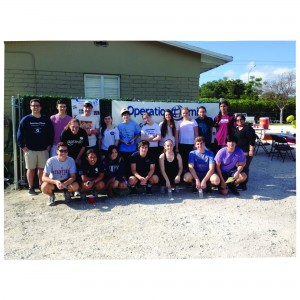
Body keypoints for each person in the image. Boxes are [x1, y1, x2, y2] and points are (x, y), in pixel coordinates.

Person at [17, 99, 54, 195]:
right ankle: (31, 187)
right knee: (30, 169)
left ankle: (41, 186)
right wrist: (22, 146)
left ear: (40, 107)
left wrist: (49, 144)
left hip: (43, 149)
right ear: (30, 107)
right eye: (33, 105)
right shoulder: (26, 120)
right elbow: (19, 134)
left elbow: (51, 133)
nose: (35, 107)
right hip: (30, 150)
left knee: (42, 169)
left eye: (37, 105)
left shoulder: (46, 119)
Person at [41, 142, 79, 206]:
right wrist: (56, 182)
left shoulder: (71, 160)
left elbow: (73, 176)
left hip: (66, 182)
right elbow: (43, 177)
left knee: (76, 186)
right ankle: (51, 195)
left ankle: (67, 193)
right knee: (44, 187)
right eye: (61, 151)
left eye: (65, 151)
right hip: (54, 181)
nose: (63, 153)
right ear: (57, 152)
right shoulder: (51, 161)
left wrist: (64, 184)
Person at [234, 113, 256, 190]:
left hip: (246, 152)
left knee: (245, 167)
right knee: (239, 167)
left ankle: (243, 185)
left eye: (241, 119)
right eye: (237, 120)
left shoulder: (248, 128)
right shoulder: (236, 129)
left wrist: (251, 150)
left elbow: (252, 141)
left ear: (244, 120)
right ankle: (239, 181)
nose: (239, 121)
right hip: (238, 152)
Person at [117, 107, 140, 178]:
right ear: (122, 116)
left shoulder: (134, 124)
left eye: (127, 115)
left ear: (129, 116)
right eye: (124, 115)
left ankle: (132, 180)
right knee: (124, 165)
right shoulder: (119, 126)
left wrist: (134, 139)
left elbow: (137, 134)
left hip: (132, 149)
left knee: (132, 165)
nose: (126, 116)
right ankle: (124, 180)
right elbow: (118, 137)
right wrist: (123, 141)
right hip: (123, 149)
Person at [177, 107, 198, 172]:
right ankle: (183, 174)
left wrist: (195, 145)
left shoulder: (193, 121)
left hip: (191, 144)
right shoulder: (179, 122)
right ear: (181, 114)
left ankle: (190, 174)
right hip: (182, 144)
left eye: (186, 112)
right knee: (182, 160)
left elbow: (196, 134)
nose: (185, 114)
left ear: (188, 113)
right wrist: (177, 147)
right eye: (183, 113)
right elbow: (176, 135)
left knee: (190, 160)